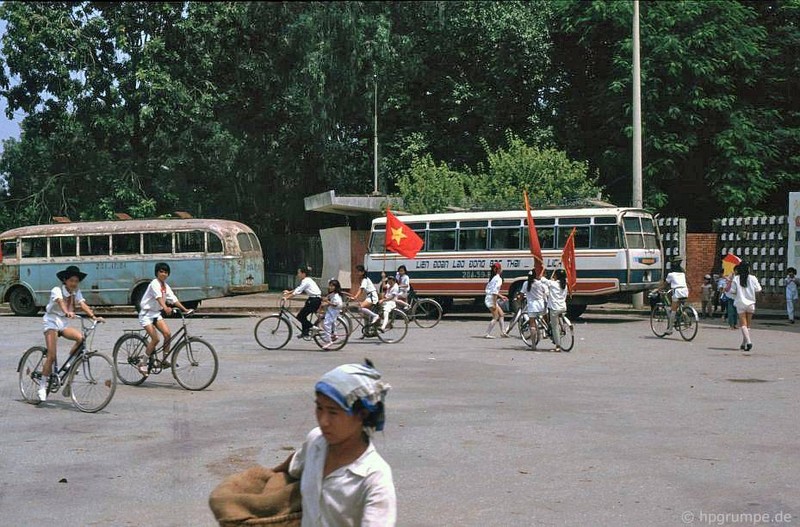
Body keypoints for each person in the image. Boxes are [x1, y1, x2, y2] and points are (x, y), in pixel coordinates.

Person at [272, 361, 396, 527]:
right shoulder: (315, 441)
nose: (323, 421)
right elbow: (294, 464)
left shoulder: (374, 478)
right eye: (319, 408)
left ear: (362, 414)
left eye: (333, 412)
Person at [39, 266, 102, 402]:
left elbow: (83, 304)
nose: (74, 283)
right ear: (65, 280)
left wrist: (93, 316)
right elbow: (60, 302)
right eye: (72, 280)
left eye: (76, 281)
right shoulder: (57, 290)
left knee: (81, 338)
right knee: (51, 355)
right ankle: (42, 385)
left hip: (63, 323)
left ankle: (69, 365)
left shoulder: (76, 292)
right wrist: (67, 311)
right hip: (51, 321)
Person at [138, 262, 191, 375]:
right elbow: (158, 298)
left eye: (166, 272)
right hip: (146, 315)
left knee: (167, 334)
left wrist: (185, 309)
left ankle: (163, 360)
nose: (163, 274)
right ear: (157, 273)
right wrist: (165, 307)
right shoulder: (154, 284)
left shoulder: (165, 286)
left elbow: (173, 299)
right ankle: (143, 363)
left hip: (156, 314)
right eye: (161, 271)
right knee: (156, 339)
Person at [727, 261, 762, 352]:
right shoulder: (753, 278)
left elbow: (732, 291)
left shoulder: (736, 279)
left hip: (740, 303)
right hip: (751, 303)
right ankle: (744, 343)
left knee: (743, 325)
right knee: (748, 325)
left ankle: (749, 342)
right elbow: (759, 289)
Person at [283, 266, 322, 339]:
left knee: (300, 316)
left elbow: (297, 292)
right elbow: (298, 288)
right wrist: (289, 292)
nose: (298, 275)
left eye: (299, 273)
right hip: (314, 299)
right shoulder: (307, 280)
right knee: (303, 315)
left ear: (303, 274)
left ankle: (313, 327)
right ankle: (305, 332)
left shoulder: (306, 281)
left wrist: (287, 297)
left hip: (314, 300)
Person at [540, 269, 569, 352]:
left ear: (556, 276)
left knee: (554, 327)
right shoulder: (564, 285)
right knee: (558, 319)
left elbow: (541, 279)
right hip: (563, 307)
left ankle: (558, 346)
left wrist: (542, 270)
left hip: (555, 308)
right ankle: (563, 327)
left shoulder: (553, 284)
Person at [518, 270, 548, 345]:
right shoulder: (540, 283)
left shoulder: (526, 283)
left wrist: (519, 299)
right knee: (545, 318)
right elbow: (546, 293)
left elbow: (521, 295)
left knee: (532, 324)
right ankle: (546, 331)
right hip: (541, 305)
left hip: (532, 306)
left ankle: (533, 344)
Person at [662, 259, 689, 335]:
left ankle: (670, 329)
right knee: (680, 307)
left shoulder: (671, 274)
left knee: (673, 311)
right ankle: (686, 320)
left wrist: (658, 289)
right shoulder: (683, 273)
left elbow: (665, 284)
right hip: (685, 291)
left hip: (677, 292)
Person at [349, 265, 380, 329]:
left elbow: (361, 290)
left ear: (362, 272)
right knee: (365, 314)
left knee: (360, 308)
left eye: (358, 272)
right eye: (356, 272)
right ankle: (366, 330)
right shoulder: (362, 280)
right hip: (369, 296)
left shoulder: (365, 280)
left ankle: (375, 316)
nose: (357, 273)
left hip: (372, 297)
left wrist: (355, 297)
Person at [484, 262, 508, 338]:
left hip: (489, 297)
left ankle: (503, 332)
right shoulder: (498, 279)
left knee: (501, 314)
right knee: (495, 317)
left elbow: (493, 291)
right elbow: (494, 292)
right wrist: (494, 304)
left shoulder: (493, 278)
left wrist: (501, 296)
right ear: (498, 270)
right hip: (491, 299)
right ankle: (487, 333)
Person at [318, 279, 344, 350]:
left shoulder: (336, 296)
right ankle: (334, 334)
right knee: (333, 322)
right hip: (332, 309)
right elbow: (327, 298)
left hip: (334, 310)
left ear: (336, 287)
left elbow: (335, 304)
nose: (331, 287)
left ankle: (329, 341)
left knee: (326, 324)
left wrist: (327, 302)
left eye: (333, 286)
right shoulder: (332, 294)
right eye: (330, 285)